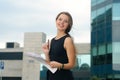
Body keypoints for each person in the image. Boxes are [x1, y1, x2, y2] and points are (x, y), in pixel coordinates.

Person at [42, 11, 76, 80]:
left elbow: (71, 64)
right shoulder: (52, 41)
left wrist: (60, 65)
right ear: (56, 21)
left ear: (68, 25)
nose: (62, 22)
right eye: (60, 19)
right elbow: (50, 65)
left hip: (64, 77)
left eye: (65, 21)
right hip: (52, 77)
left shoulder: (67, 40)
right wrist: (46, 53)